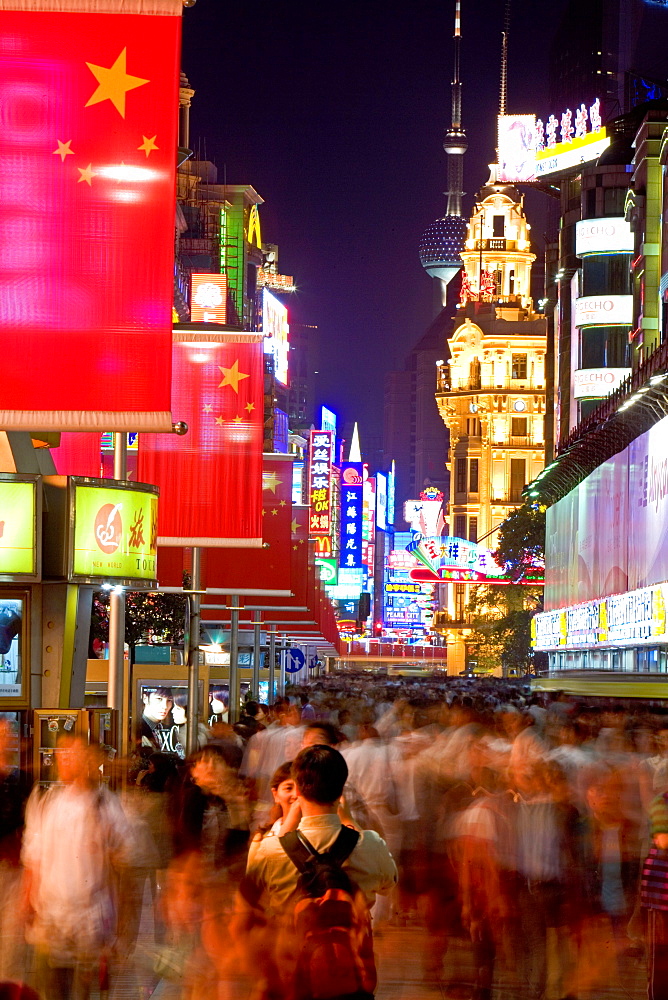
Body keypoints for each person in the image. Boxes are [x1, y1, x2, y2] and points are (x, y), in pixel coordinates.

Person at [236, 744, 397, 1000]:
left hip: (291, 977)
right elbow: (389, 884)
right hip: (349, 977)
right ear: (341, 789)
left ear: (298, 790)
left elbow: (249, 898)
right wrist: (348, 819)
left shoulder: (268, 850)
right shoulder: (371, 844)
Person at [21, 737, 132, 999]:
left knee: (83, 991)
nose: (67, 760)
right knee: (53, 989)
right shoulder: (46, 801)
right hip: (51, 920)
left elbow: (122, 865)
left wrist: (123, 924)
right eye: (64, 754)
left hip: (91, 922)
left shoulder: (106, 805)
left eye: (76, 754)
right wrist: (26, 903)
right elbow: (34, 859)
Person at [140, 686, 185, 760]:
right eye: (159, 699)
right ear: (145, 698)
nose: (165, 706)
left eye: (169, 700)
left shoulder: (166, 729)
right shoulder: (138, 729)